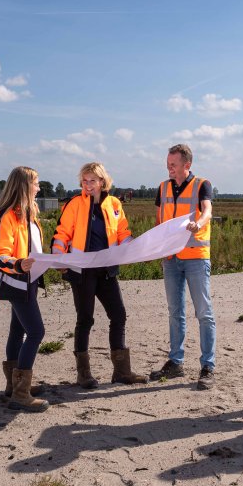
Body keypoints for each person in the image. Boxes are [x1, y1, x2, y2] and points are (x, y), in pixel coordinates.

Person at [52, 162, 147, 388]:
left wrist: (136, 246)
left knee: (119, 315)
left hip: (107, 271)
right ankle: (83, 374)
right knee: (85, 320)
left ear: (102, 182)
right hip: (81, 272)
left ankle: (122, 372)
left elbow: (122, 232)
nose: (87, 185)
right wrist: (58, 258)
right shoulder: (74, 204)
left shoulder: (114, 204)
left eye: (92, 180)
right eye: (84, 181)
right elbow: (61, 234)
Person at [148, 143, 217, 390]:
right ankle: (176, 362)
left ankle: (208, 366)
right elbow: (159, 221)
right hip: (171, 260)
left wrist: (198, 223)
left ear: (187, 165)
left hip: (196, 257)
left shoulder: (202, 184)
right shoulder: (163, 187)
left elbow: (207, 211)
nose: (169, 169)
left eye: (173, 165)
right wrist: (157, 247)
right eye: (168, 164)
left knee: (203, 312)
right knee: (175, 311)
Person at [0, 166, 48, 412]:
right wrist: (19, 265)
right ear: (24, 186)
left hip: (28, 281)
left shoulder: (28, 215)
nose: (39, 188)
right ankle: (21, 394)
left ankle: (13, 387)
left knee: (18, 330)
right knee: (36, 332)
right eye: (36, 183)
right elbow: (0, 256)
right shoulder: (4, 217)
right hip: (15, 282)